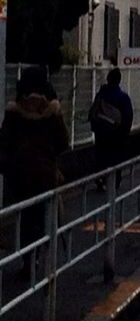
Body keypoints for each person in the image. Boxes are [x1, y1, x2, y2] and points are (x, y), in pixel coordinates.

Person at [0, 66, 70, 266]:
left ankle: (26, 258)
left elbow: (5, 141)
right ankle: (38, 254)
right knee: (41, 216)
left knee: (23, 215)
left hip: (19, 174)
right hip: (45, 173)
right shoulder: (51, 111)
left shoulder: (14, 111)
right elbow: (63, 143)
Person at [89, 68, 134, 174]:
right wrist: (124, 134)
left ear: (108, 79)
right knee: (115, 161)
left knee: (101, 159)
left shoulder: (101, 95)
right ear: (119, 80)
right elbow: (128, 117)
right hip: (117, 136)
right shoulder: (123, 97)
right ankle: (114, 181)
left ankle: (100, 178)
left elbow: (93, 112)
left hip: (101, 135)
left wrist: (96, 128)